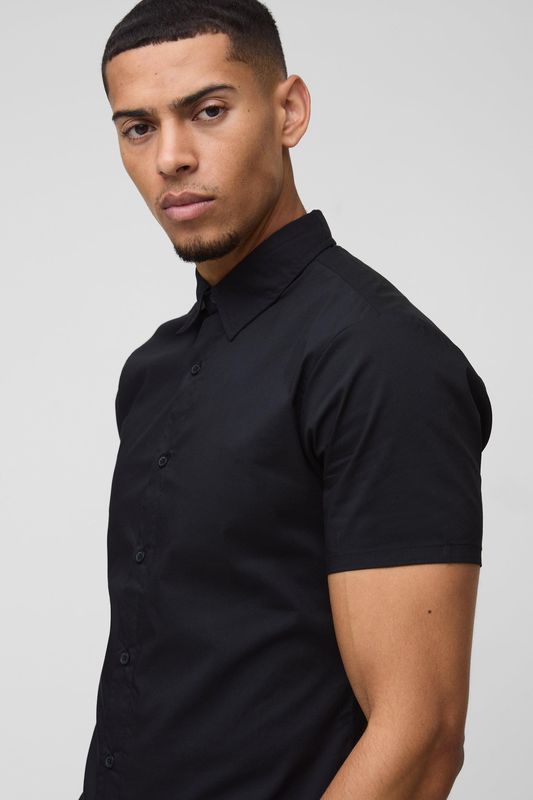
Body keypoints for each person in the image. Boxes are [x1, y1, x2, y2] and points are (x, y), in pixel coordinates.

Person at [79, 1, 493, 798]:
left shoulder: (379, 356)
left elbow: (419, 739)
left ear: (288, 112)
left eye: (208, 111)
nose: (170, 157)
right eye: (137, 127)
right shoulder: (152, 370)